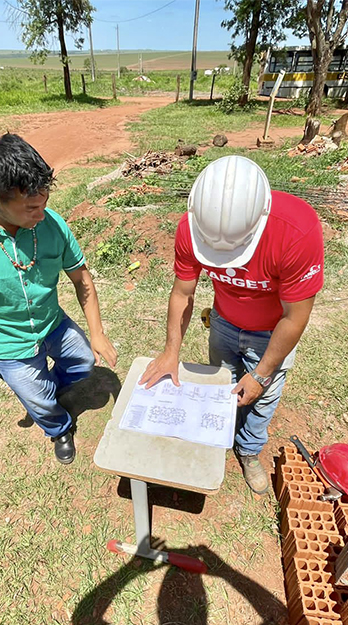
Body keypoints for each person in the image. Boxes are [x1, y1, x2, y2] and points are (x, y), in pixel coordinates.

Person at [0, 133, 117, 464]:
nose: (42, 215)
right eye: (31, 208)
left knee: (84, 363)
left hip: (51, 322)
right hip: (5, 340)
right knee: (41, 402)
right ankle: (59, 428)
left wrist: (97, 333)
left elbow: (81, 276)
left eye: (43, 204)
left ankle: (44, 388)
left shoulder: (52, 224)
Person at [140, 155, 323, 494]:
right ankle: (220, 437)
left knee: (261, 398)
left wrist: (263, 373)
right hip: (223, 322)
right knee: (222, 389)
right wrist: (170, 352)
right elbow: (183, 293)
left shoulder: (297, 230)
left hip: (272, 333)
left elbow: (295, 316)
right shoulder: (190, 228)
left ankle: (249, 451)